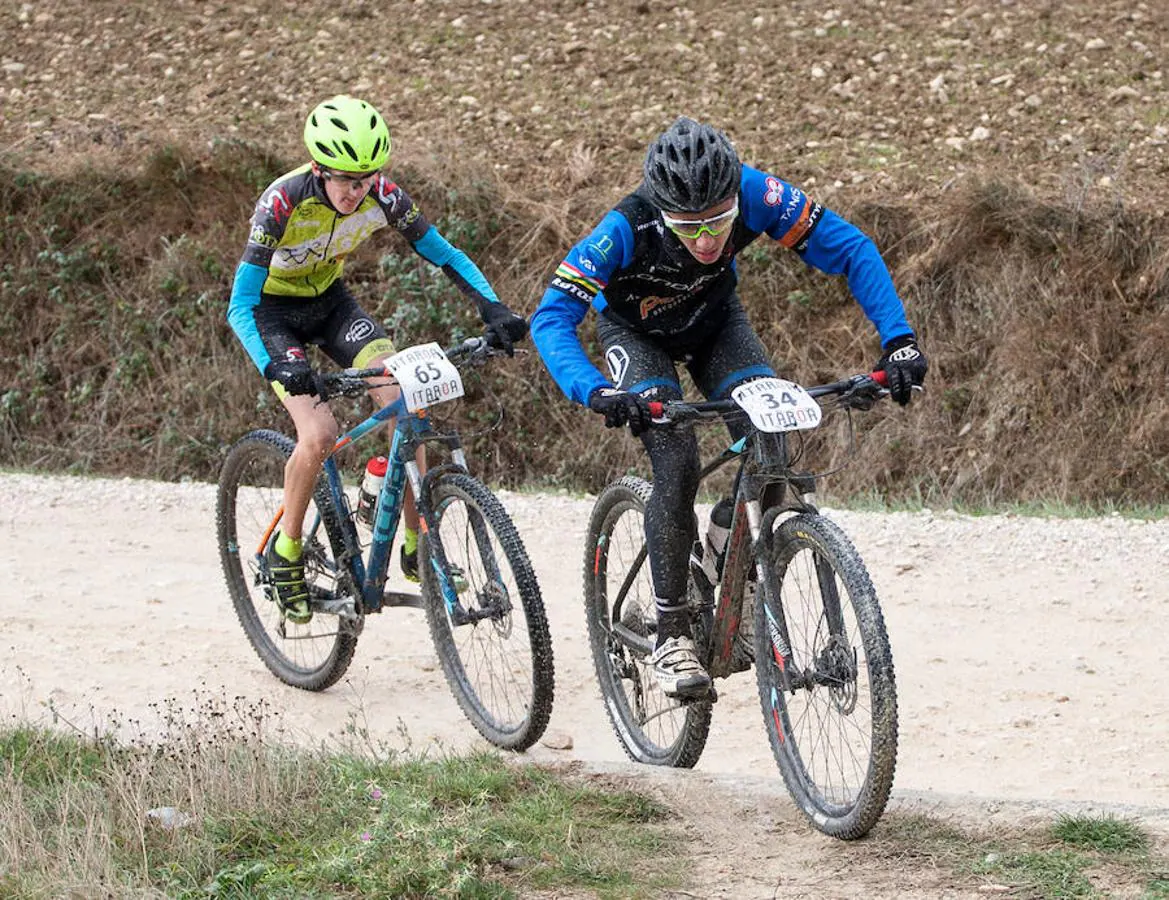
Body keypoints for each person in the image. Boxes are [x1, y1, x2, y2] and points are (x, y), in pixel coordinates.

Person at [530, 116, 927, 698]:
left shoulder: (754, 193)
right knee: (678, 459)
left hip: (717, 327)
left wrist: (898, 340)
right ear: (662, 211)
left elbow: (851, 249)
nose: (708, 239)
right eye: (689, 227)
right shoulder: (623, 228)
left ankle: (720, 548)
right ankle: (671, 634)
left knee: (770, 439)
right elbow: (551, 318)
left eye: (718, 221)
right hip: (637, 339)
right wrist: (595, 389)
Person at [227, 95, 527, 625]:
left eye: (367, 177)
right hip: (275, 316)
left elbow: (446, 255)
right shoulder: (282, 202)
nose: (357, 190)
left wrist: (493, 308)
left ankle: (415, 545)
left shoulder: (384, 195)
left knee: (408, 399)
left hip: (332, 304)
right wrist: (277, 366)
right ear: (318, 168)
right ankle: (288, 550)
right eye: (345, 179)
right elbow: (241, 304)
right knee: (318, 435)